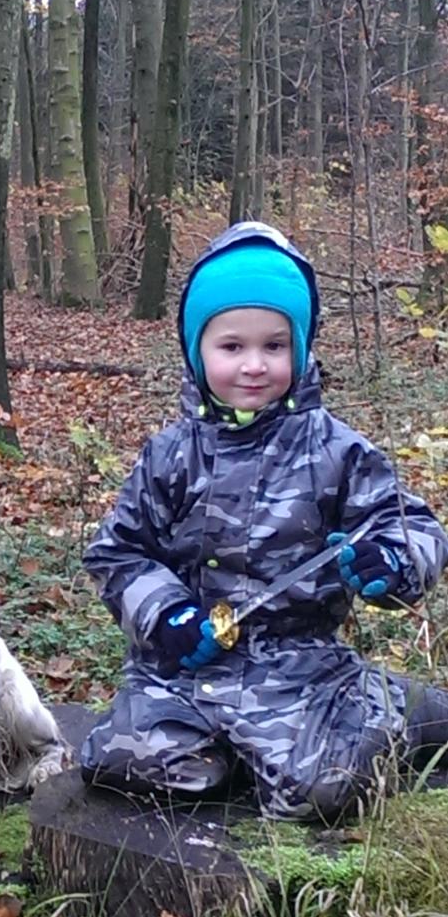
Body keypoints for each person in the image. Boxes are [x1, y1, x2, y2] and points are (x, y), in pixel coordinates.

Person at [81, 220, 448, 820]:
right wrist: (168, 614)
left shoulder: (336, 450)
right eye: (232, 347)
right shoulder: (169, 455)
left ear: (299, 350)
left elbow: (413, 527)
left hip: (301, 671)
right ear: (197, 351)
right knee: (120, 759)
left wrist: (390, 559)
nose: (254, 365)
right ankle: (236, 753)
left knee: (320, 793)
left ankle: (402, 711)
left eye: (274, 347)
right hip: (184, 671)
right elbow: (117, 552)